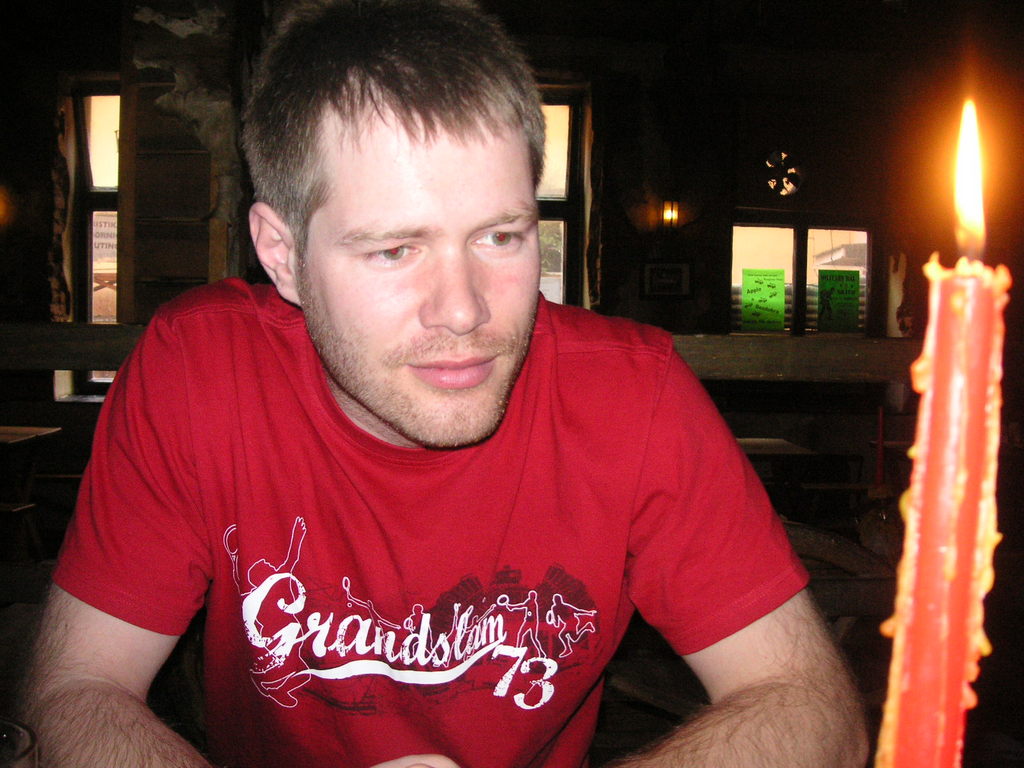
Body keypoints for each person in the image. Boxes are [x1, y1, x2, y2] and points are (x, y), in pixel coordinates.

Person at [21, 1, 868, 766]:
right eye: (396, 250)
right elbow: (74, 692)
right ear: (282, 255)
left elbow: (813, 708)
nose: (463, 310)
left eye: (500, 237)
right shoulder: (199, 370)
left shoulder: (635, 396)